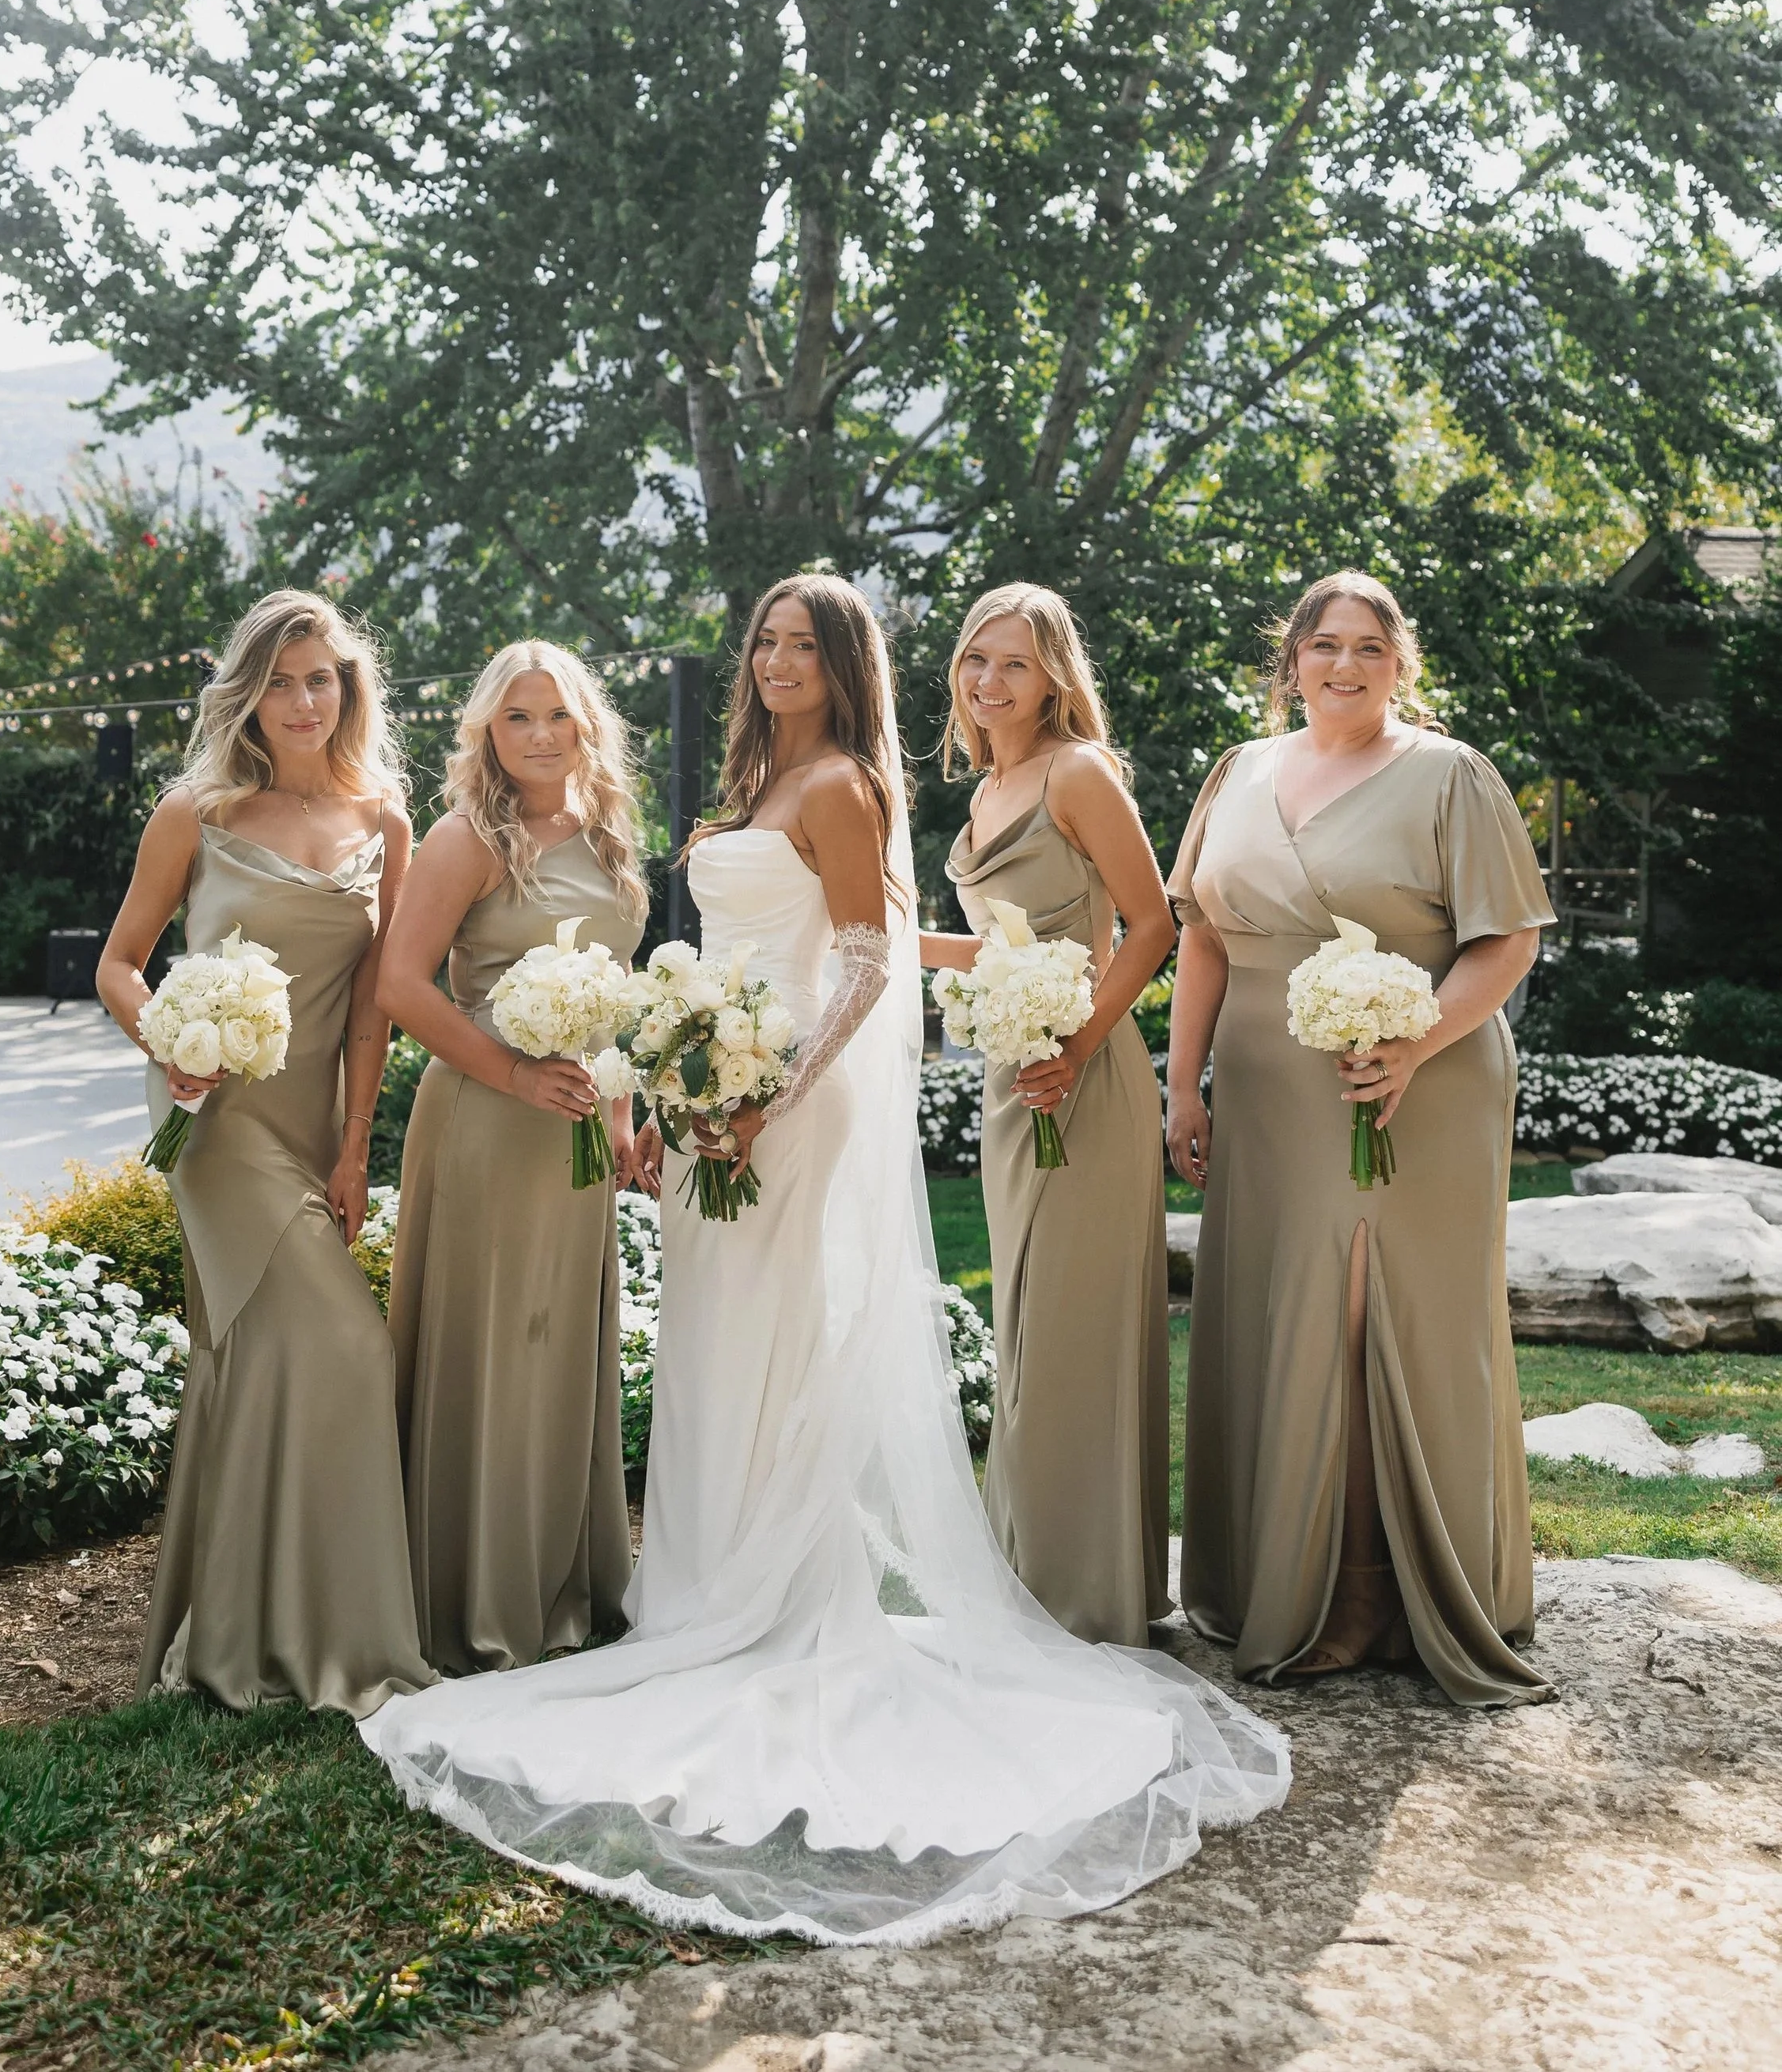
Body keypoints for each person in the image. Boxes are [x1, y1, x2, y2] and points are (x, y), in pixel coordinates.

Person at [359, 574, 1287, 1946]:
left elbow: (863, 965)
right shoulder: (756, 777)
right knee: (716, 1338)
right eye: (767, 642)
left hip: (792, 1090)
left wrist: (765, 1095)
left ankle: (768, 1602)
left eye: (806, 644)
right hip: (714, 1084)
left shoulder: (847, 784)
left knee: (778, 1336)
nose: (779, 660)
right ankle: (699, 1584)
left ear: (845, 665)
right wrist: (683, 1068)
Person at [1165, 569, 1554, 1706]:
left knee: (1369, 1309)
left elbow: (1506, 943)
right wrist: (1181, 1085)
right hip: (1266, 1100)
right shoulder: (1237, 772)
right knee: (1281, 1310)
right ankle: (1275, 1577)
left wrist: (1415, 1044)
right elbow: (1203, 941)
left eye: (1370, 648)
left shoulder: (1450, 776)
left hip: (1408, 1087)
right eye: (1324, 645)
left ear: (1402, 664)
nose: (1344, 666)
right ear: (1289, 661)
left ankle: (1369, 1599)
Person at [97, 589, 432, 1716]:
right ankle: (314, 1641)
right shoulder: (196, 811)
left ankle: (249, 1635)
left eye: (321, 678)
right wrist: (167, 1042)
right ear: (250, 692)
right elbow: (121, 964)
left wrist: (354, 1156)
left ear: (350, 691)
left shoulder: (386, 823)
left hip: (309, 1132)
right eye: (282, 680)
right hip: (216, 1122)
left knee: (269, 1360)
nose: (302, 700)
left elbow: (375, 1014)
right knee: (344, 1345)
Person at [377, 643, 646, 1674]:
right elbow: (400, 988)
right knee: (492, 1349)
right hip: (489, 1120)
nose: (539, 736)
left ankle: (561, 1586)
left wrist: (617, 1117)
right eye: (517, 718)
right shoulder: (466, 839)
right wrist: (512, 1074)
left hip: (577, 1126)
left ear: (589, 727)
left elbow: (611, 991)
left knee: (557, 1346)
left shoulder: (610, 837)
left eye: (558, 717)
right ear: (488, 731)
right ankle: (475, 1603)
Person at [925, 583, 1175, 1644]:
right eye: (977, 660)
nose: (990, 682)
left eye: (1015, 664)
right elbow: (998, 950)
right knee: (1029, 1327)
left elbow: (1155, 926)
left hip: (1085, 1073)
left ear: (1055, 677)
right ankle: (1028, 1575)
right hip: (1013, 1075)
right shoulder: (985, 788)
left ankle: (1087, 1593)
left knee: (1074, 1325)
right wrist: (876, 942)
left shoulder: (1078, 774)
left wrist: (1074, 1049)